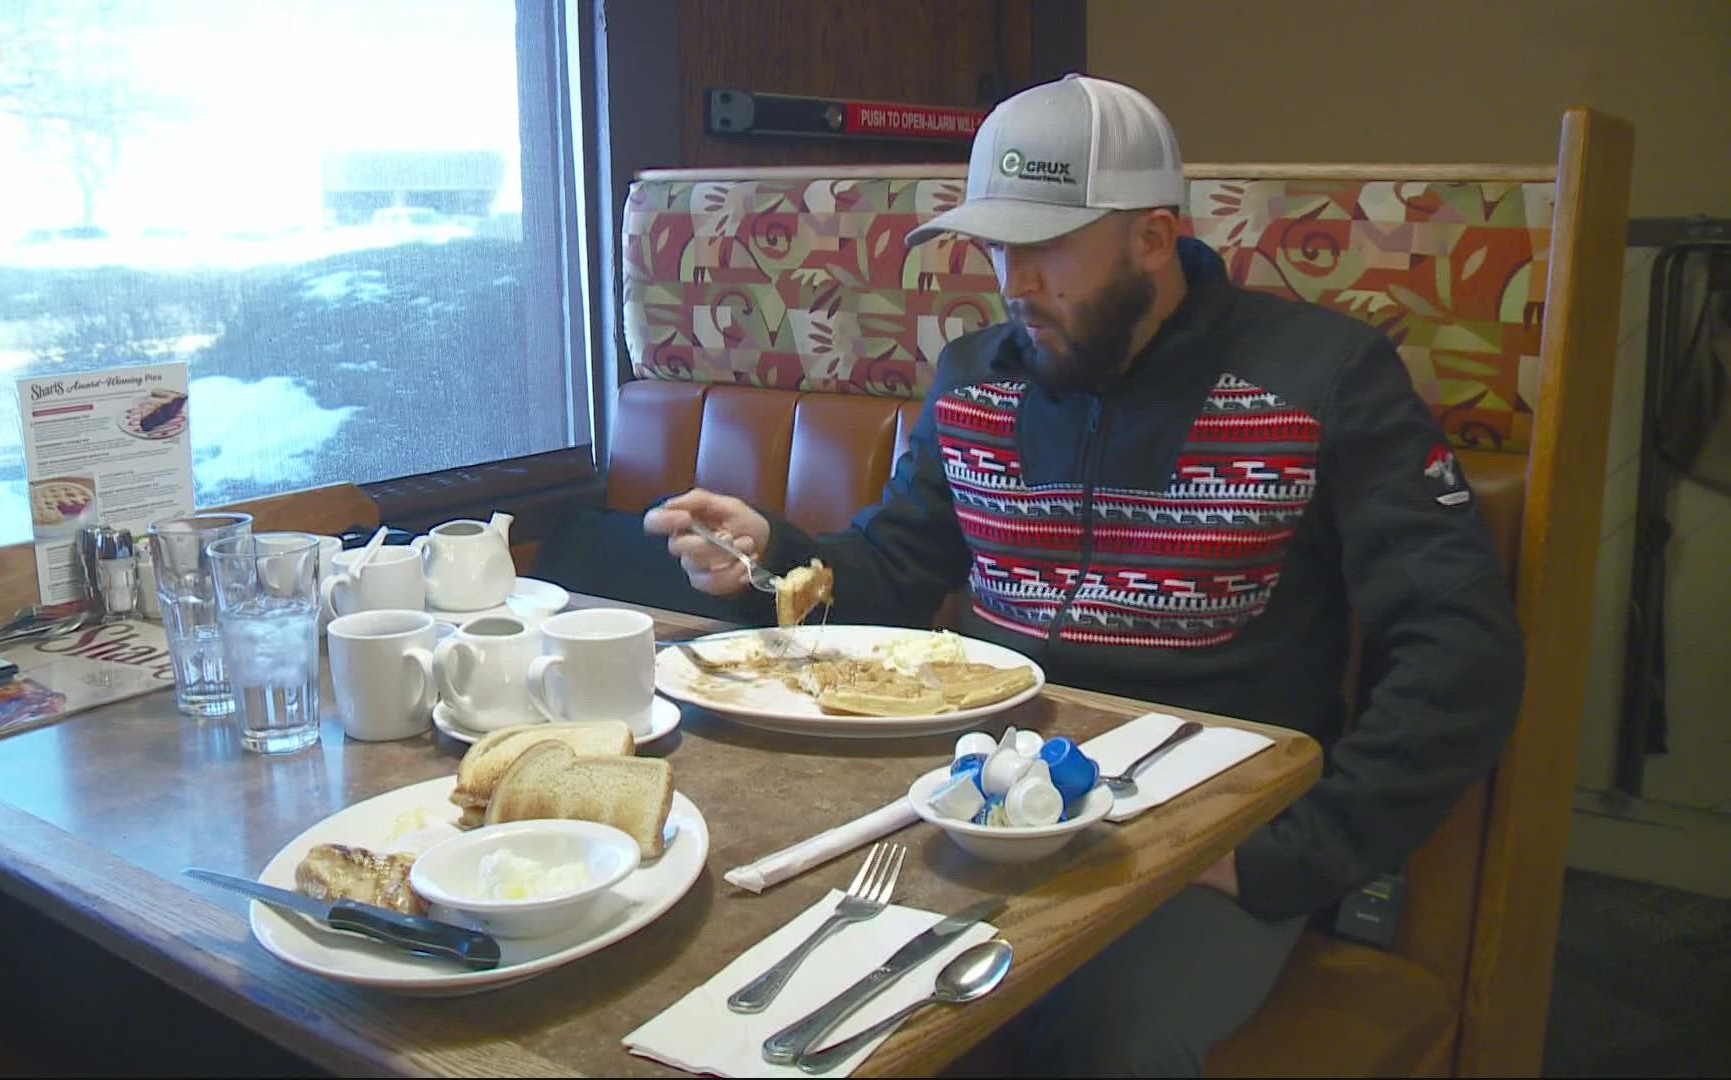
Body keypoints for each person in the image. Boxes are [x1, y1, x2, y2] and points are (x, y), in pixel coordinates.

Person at [642, 74, 1525, 1075]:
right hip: (979, 799)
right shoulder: (976, 376)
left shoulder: (1324, 377)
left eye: (1045, 246)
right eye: (997, 248)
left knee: (1098, 1042)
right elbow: (894, 564)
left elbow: (1462, 650)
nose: (1013, 282)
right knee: (800, 995)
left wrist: (1291, 854)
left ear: (1151, 238)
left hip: (1208, 840)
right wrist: (780, 553)